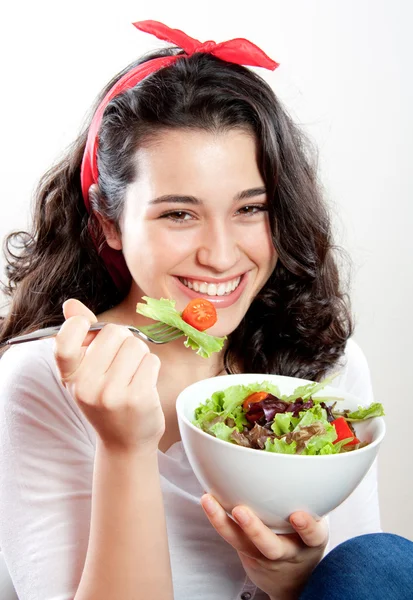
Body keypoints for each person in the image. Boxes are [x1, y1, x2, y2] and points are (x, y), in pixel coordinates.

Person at [0, 19, 412, 600]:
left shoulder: (325, 366)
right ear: (109, 223)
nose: (221, 256)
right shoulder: (45, 378)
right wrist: (124, 447)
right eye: (178, 214)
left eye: (251, 209)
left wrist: (291, 579)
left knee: (381, 562)